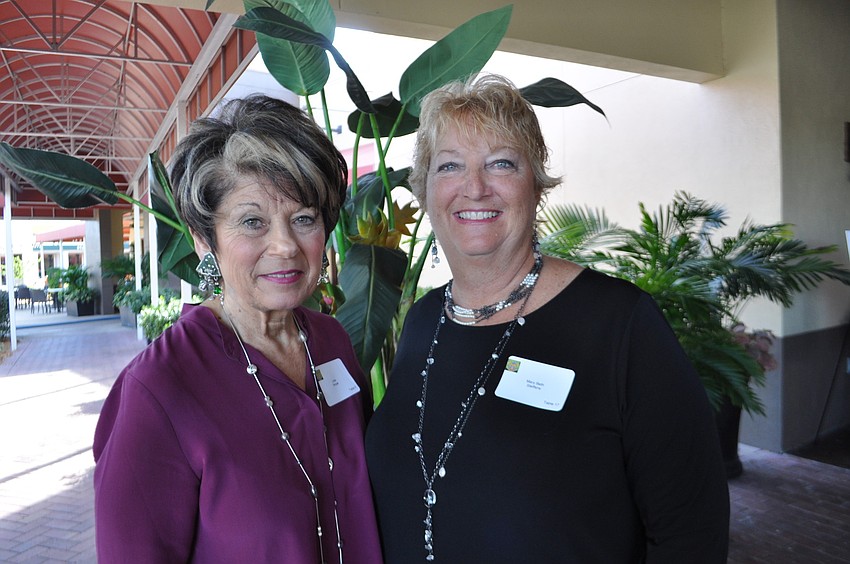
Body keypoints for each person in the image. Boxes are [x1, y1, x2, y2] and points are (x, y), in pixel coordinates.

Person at [365, 74, 729, 563]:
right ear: (425, 191)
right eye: (449, 165)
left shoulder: (620, 324)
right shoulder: (423, 321)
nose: (474, 187)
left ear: (536, 184)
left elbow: (691, 533)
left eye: (501, 163)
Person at [93, 94, 383, 563]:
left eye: (303, 219)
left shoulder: (332, 341)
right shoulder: (158, 389)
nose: (285, 245)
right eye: (252, 222)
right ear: (203, 240)